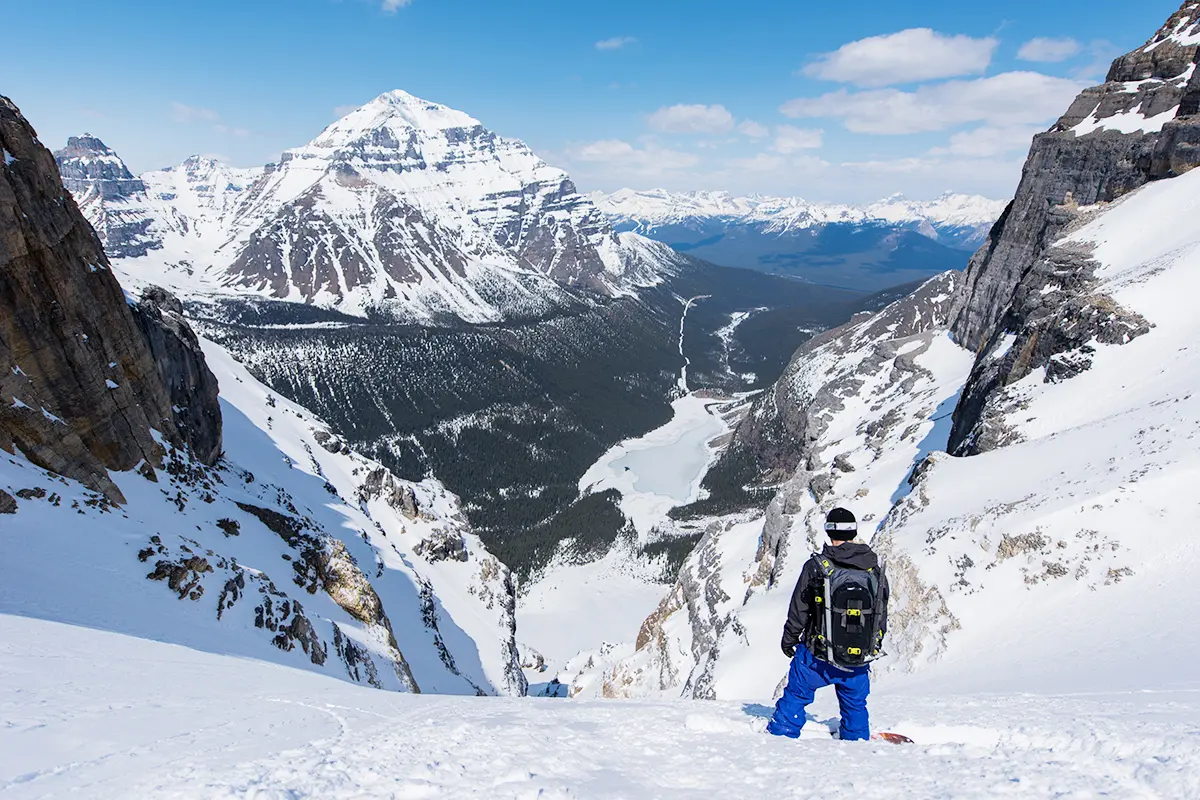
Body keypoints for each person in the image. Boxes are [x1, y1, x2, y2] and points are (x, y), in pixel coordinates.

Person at [766, 507, 889, 742]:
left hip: (816, 656)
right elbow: (880, 614)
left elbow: (799, 609)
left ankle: (779, 741)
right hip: (857, 658)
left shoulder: (817, 567)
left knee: (796, 696)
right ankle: (857, 745)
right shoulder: (875, 572)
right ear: (853, 532)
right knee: (855, 707)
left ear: (829, 532)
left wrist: (789, 638)